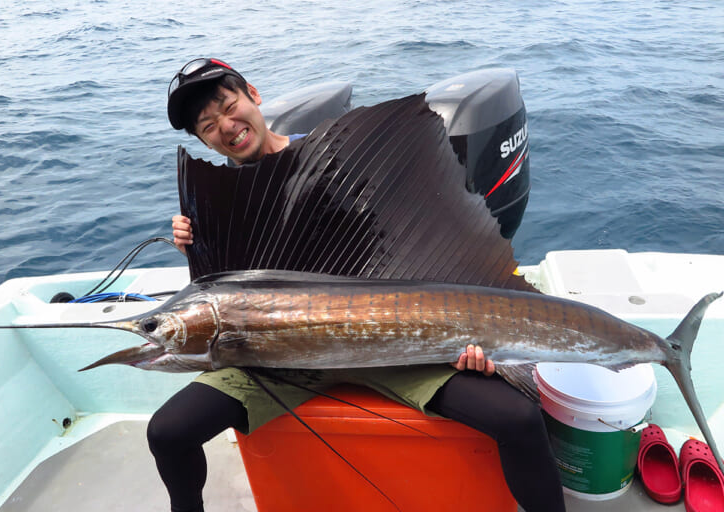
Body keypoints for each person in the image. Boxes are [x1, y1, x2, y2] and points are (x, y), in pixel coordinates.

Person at [152, 57, 566, 512]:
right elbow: (225, 306)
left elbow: (410, 231)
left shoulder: (334, 155)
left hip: (387, 341)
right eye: (208, 126)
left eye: (229, 107)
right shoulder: (218, 207)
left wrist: (469, 333)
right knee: (168, 431)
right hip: (278, 360)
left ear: (253, 94)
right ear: (201, 140)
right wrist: (196, 248)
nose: (226, 127)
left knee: (519, 418)